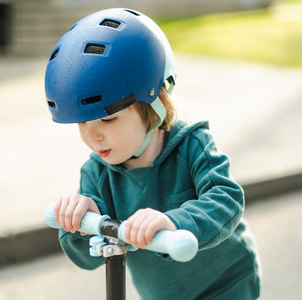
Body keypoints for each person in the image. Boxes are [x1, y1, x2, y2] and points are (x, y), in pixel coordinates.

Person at [44, 8, 261, 300]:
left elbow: (227, 199)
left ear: (155, 104)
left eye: (108, 119)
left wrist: (175, 222)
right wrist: (78, 222)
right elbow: (87, 258)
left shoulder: (192, 144)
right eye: (83, 122)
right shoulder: (96, 174)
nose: (92, 135)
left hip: (225, 284)